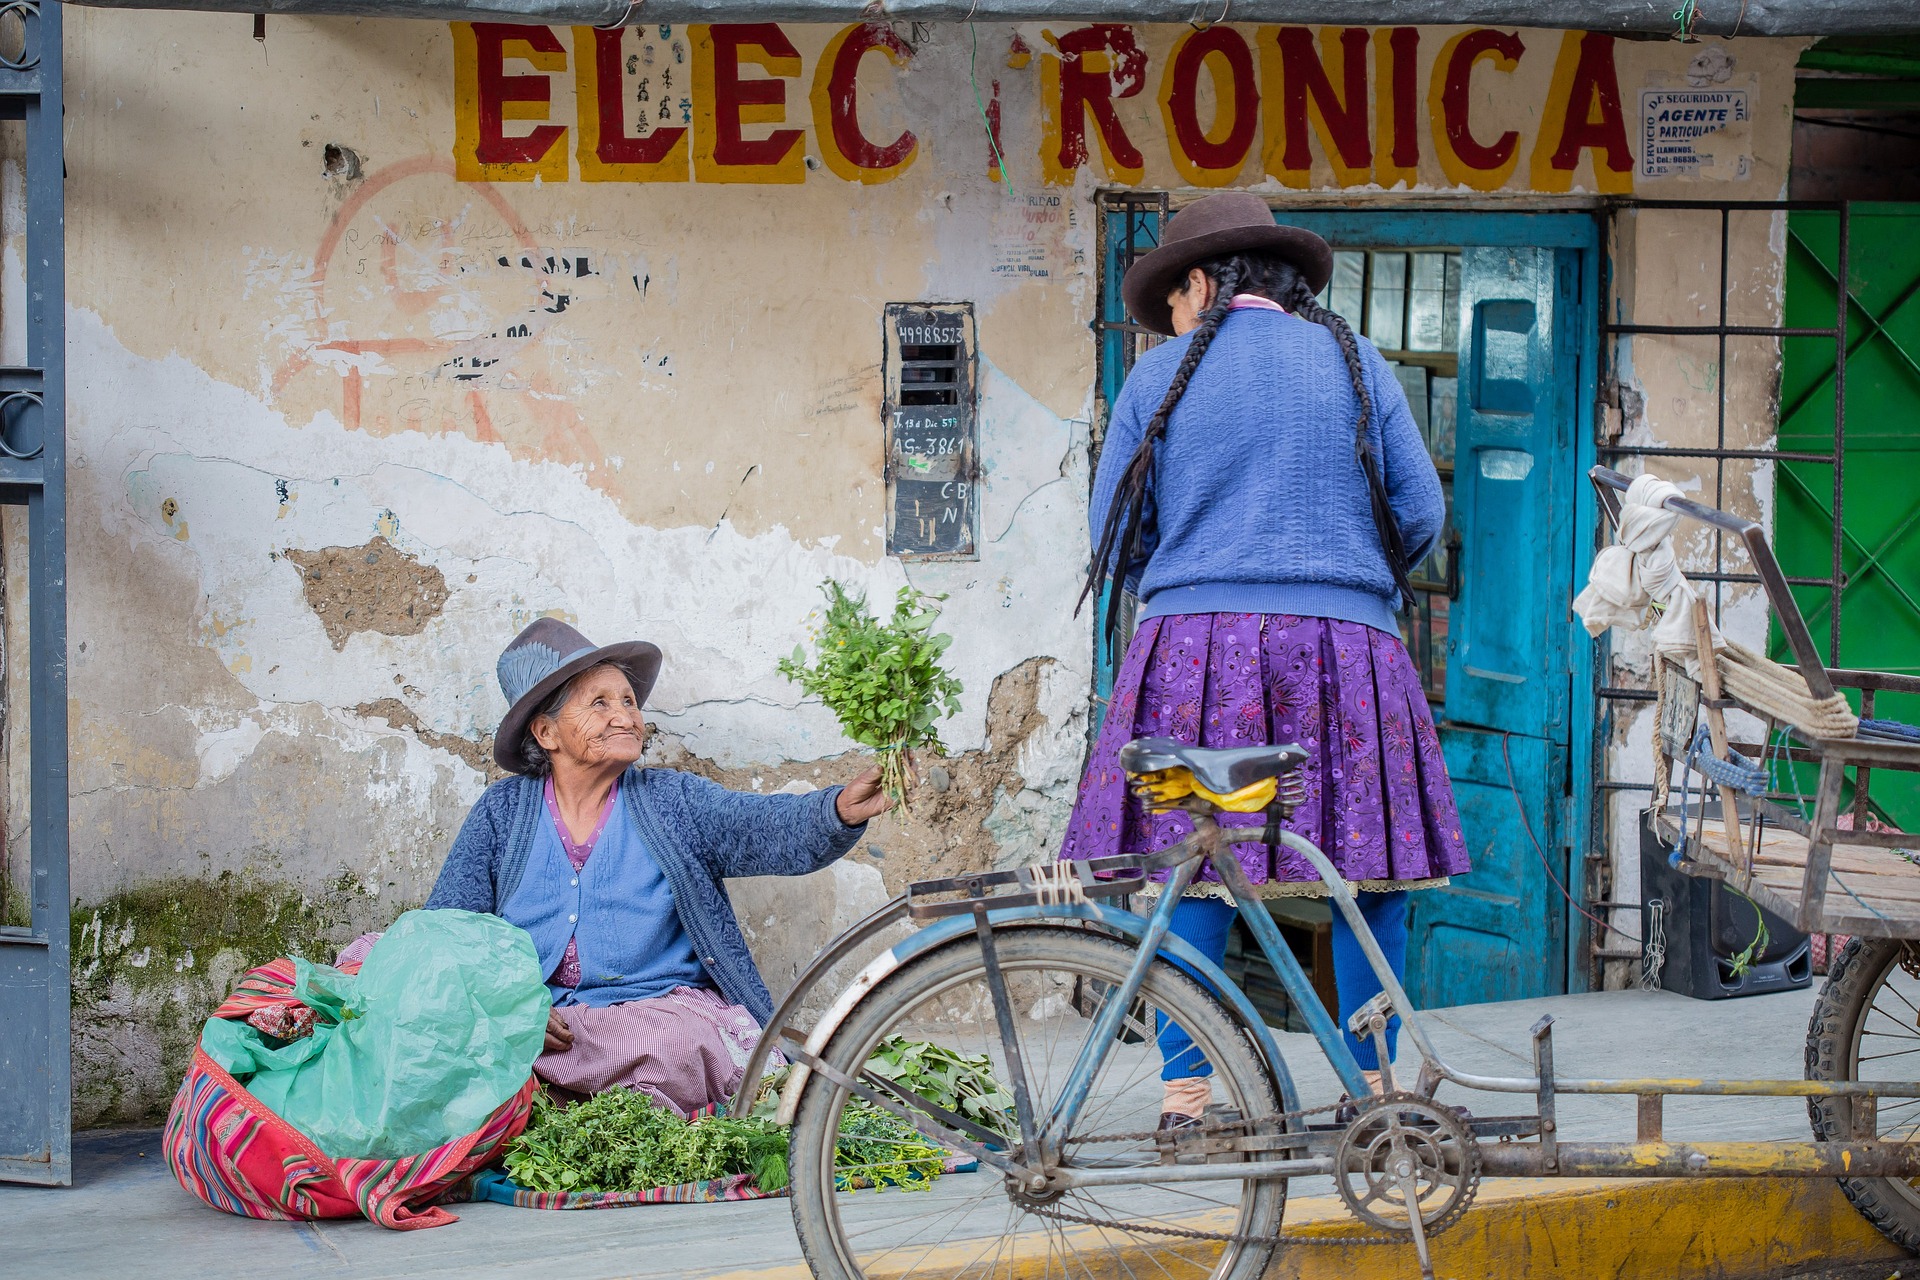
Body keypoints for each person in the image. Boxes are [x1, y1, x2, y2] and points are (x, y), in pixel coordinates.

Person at [1057, 191, 1471, 1129]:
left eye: (1173, 297)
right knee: (1373, 873)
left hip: (1190, 656)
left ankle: (1187, 1097)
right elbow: (1419, 514)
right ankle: (1377, 1092)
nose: (1170, 316)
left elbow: (1115, 540)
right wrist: (1342, 579)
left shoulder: (1156, 378)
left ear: (1201, 282)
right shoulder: (1359, 363)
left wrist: (1199, 575)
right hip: (1350, 655)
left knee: (1188, 866)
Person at [420, 616, 891, 1117]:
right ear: (546, 732)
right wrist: (510, 1006)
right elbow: (450, 929)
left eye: (628, 701)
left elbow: (760, 827)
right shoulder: (503, 812)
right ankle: (558, 1095)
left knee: (676, 1041)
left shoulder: (671, 801)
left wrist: (837, 811)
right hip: (537, 1023)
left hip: (656, 1014)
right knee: (406, 989)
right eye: (600, 703)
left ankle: (553, 1101)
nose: (626, 716)